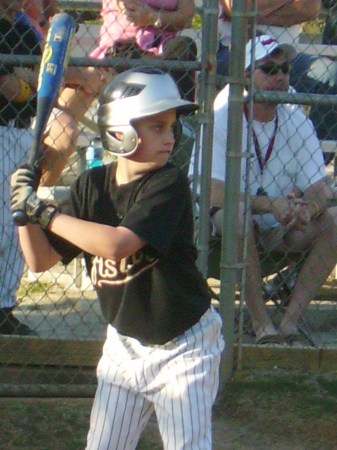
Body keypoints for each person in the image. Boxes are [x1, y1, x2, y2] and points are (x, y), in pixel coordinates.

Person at [10, 67, 225, 448]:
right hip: (124, 346)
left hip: (184, 346)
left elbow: (116, 245)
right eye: (156, 126)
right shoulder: (92, 186)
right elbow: (40, 260)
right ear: (119, 131)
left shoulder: (168, 182)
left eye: (171, 126)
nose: (170, 137)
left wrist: (45, 213)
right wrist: (24, 214)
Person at [207, 35, 337, 346]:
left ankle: (290, 322)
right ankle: (261, 323)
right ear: (248, 76)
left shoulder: (294, 117)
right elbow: (210, 191)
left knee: (335, 218)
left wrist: (308, 208)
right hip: (221, 231)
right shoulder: (225, 113)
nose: (280, 77)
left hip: (281, 228)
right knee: (237, 216)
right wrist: (269, 205)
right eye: (269, 69)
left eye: (285, 69)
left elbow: (321, 188)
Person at [0, 0, 111, 335]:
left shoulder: (20, 28)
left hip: (19, 132)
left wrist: (22, 82)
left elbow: (40, 80)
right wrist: (22, 83)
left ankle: (4, 307)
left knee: (13, 223)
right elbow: (10, 87)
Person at [216, 0, 337, 146]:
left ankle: (308, 150)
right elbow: (237, 8)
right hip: (237, 50)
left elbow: (310, 9)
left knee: (331, 74)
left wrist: (253, 13)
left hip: (287, 56)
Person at [90, 0, 198, 101]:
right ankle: (159, 73)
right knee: (128, 53)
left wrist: (153, 17)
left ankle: (183, 117)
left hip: (164, 47)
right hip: (124, 46)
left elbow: (186, 17)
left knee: (184, 45)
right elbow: (130, 9)